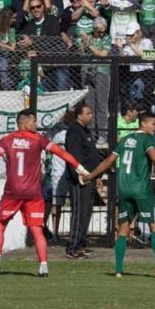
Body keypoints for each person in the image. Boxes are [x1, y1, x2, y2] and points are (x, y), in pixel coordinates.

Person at [0, 109, 91, 277]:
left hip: (12, 192)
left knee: (0, 225)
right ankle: (43, 268)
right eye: (34, 122)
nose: (37, 125)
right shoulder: (38, 140)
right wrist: (80, 168)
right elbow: (61, 153)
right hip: (33, 192)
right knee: (37, 229)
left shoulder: (7, 140)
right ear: (24, 123)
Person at [83, 112, 155, 277]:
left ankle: (119, 270)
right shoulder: (146, 139)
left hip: (124, 189)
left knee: (123, 228)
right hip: (141, 190)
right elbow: (154, 156)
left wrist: (90, 176)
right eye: (153, 124)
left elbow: (108, 161)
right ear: (143, 124)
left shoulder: (125, 140)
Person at [64, 104, 100, 260]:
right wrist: (80, 175)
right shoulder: (74, 131)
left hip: (91, 177)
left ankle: (81, 244)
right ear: (79, 115)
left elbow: (91, 155)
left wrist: (96, 176)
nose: (91, 116)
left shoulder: (86, 130)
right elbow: (73, 156)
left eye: (91, 113)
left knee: (87, 212)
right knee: (79, 212)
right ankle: (72, 247)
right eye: (88, 113)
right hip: (80, 179)